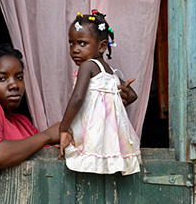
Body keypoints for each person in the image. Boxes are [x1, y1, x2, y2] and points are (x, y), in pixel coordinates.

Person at [58, 10, 141, 176]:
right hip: (109, 136)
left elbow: (77, 99)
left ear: (102, 46)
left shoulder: (88, 66)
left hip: (93, 132)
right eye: (72, 43)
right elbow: (132, 95)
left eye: (82, 44)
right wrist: (112, 103)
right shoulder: (109, 71)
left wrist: (63, 129)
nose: (75, 49)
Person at [0, 43, 60, 170]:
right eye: (2, 78)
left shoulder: (23, 122)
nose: (14, 85)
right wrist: (47, 136)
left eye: (19, 77)